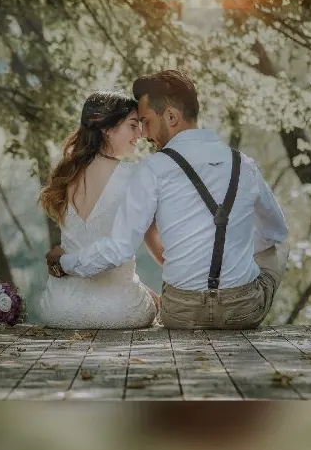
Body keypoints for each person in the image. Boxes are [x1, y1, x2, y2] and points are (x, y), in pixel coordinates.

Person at [47, 70, 289, 330]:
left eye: (146, 121)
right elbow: (276, 231)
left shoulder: (152, 168)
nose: (144, 134)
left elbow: (118, 249)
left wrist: (64, 262)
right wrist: (232, 254)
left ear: (171, 116)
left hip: (180, 313)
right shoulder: (244, 164)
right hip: (243, 311)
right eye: (136, 124)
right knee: (275, 247)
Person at [38, 91, 160, 329]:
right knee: (154, 303)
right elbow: (120, 250)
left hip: (59, 309)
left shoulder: (65, 173)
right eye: (133, 125)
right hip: (119, 311)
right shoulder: (136, 175)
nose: (141, 134)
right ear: (105, 128)